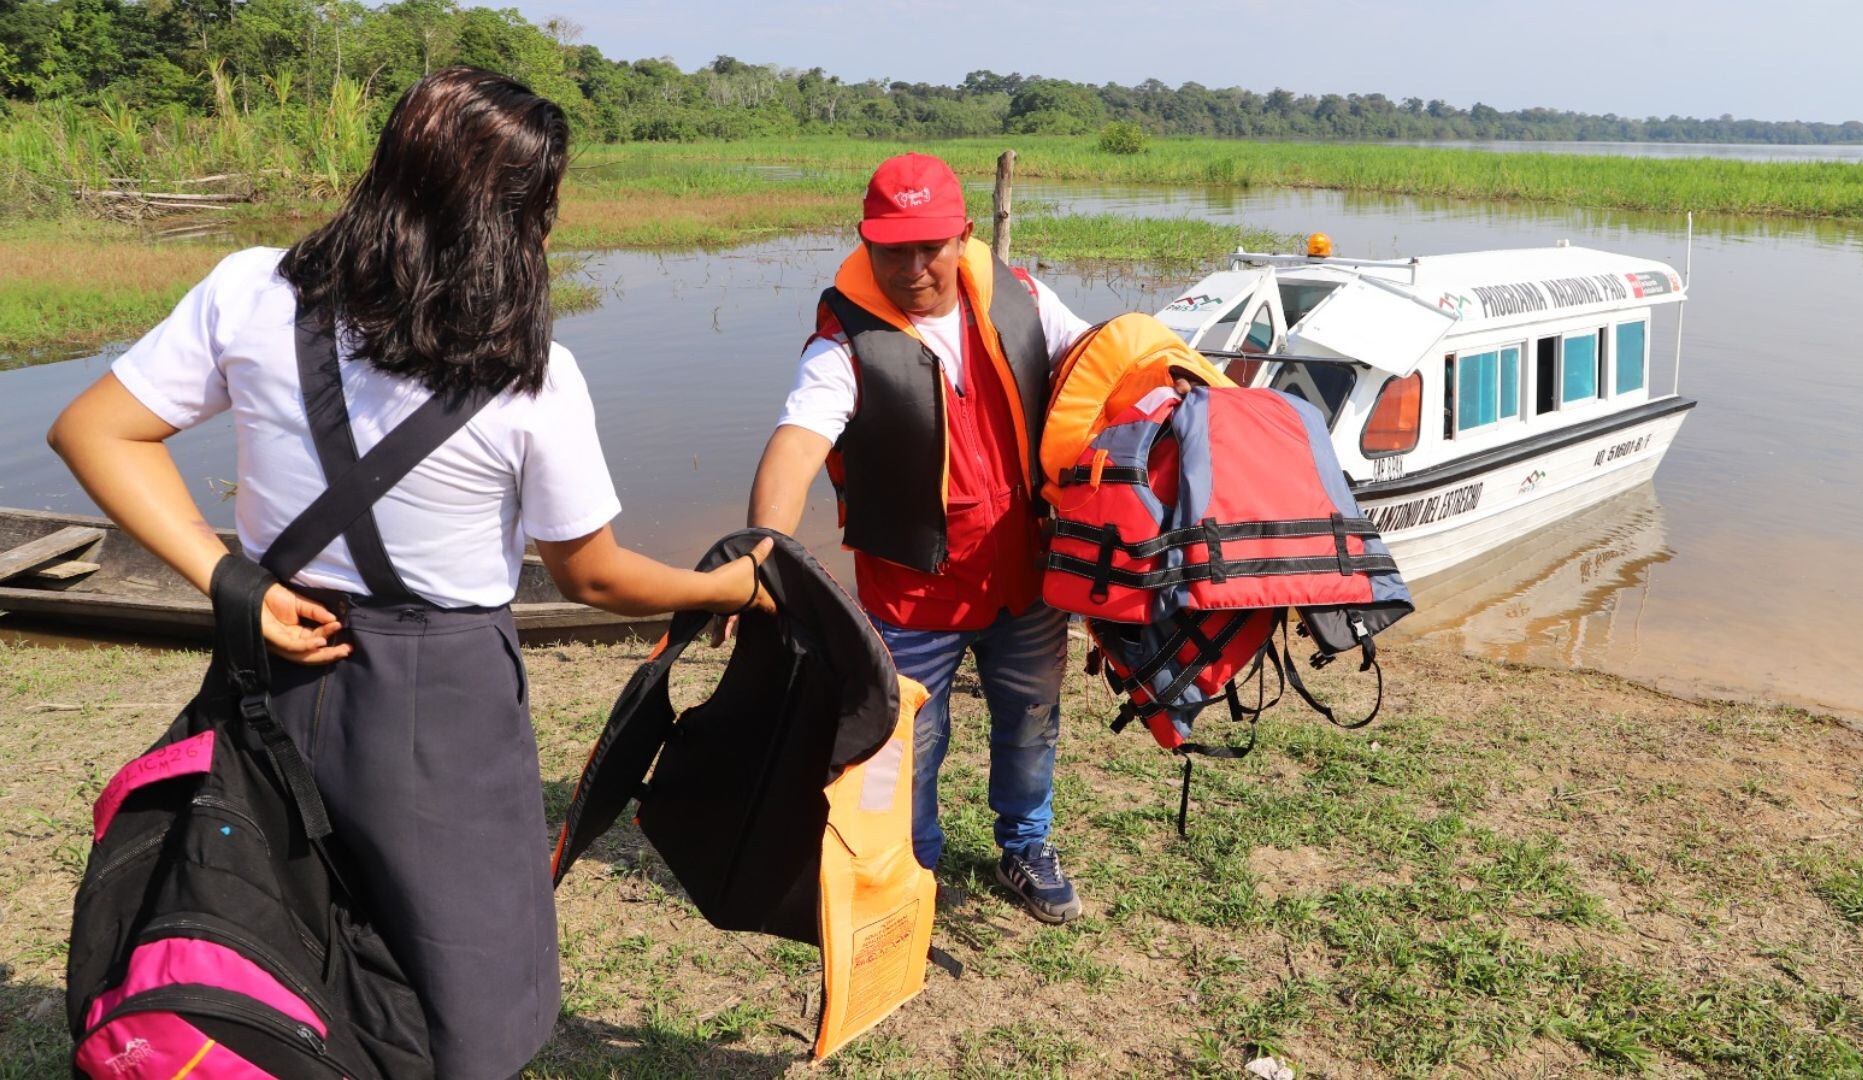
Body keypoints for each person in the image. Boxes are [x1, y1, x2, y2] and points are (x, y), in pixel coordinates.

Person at [46, 67, 770, 1078]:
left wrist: (231, 582)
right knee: (464, 963)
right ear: (515, 218)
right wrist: (729, 588)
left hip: (270, 659)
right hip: (442, 693)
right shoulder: (534, 374)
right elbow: (595, 578)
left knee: (275, 898)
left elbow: (94, 430)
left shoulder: (252, 290)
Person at [745, 153, 1091, 924]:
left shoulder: (1025, 302)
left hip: (1026, 580)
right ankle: (916, 865)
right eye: (892, 249)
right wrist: (759, 552)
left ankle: (1025, 843)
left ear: (963, 236)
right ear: (865, 242)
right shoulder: (843, 347)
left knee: (1031, 722)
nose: (912, 269)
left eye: (929, 247)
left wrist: (1182, 388)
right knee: (908, 746)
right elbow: (796, 445)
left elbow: (1102, 360)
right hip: (912, 596)